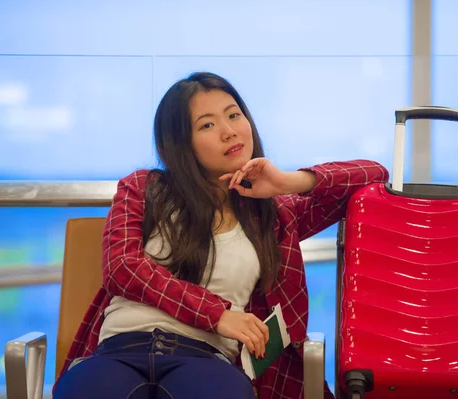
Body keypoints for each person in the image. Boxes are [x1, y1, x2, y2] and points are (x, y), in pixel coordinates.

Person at [52, 72, 389, 399]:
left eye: (234, 115)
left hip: (206, 358)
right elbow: (122, 268)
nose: (229, 132)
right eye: (208, 125)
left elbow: (373, 175)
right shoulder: (144, 188)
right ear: (182, 143)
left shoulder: (274, 214)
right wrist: (218, 315)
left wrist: (288, 182)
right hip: (121, 348)